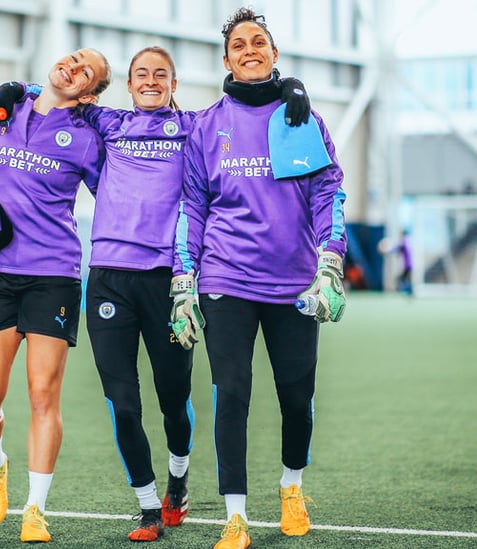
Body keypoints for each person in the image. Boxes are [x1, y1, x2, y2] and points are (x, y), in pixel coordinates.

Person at [0, 47, 312, 543]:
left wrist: (288, 88)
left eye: (161, 74)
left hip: (168, 281)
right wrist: (15, 89)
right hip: (109, 278)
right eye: (141, 75)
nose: (151, 81)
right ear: (128, 87)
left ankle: (178, 479)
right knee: (123, 402)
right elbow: (57, 92)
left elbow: (243, 108)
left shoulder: (196, 127)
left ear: (173, 84)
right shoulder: (107, 122)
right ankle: (148, 505)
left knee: (173, 400)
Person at [169, 7, 347, 549]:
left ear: (274, 54)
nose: (250, 49)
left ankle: (291, 488)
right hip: (226, 279)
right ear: (226, 59)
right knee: (233, 393)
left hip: (294, 282)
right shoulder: (204, 126)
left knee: (297, 397)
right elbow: (191, 206)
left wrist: (331, 261)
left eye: (259, 41)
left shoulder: (303, 120)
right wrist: (183, 282)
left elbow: (327, 192)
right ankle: (236, 516)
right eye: (239, 43)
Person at [0, 47, 110, 544]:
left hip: (53, 275)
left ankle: (35, 509)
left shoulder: (87, 137)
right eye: (73, 58)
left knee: (43, 395)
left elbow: (117, 197)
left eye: (87, 71)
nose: (73, 67)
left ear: (91, 92)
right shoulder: (3, 107)